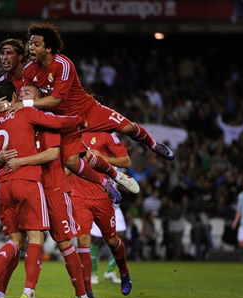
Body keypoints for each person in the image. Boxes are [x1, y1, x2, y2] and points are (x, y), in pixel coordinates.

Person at [11, 23, 175, 195]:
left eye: (36, 44)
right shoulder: (29, 70)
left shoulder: (63, 64)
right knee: (72, 161)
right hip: (66, 121)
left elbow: (55, 100)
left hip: (89, 110)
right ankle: (110, 180)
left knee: (128, 128)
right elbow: (23, 91)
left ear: (49, 48)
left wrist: (25, 104)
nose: (30, 48)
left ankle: (153, 144)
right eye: (30, 44)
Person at [0, 80, 86, 298]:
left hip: (51, 187)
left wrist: (14, 161)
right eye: (21, 92)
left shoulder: (38, 118)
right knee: (24, 240)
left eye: (28, 93)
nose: (23, 95)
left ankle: (82, 296)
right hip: (29, 184)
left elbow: (53, 153)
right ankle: (3, 293)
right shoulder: (22, 117)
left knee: (61, 241)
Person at [69, 131, 133, 298]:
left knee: (112, 241)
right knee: (83, 240)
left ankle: (124, 271)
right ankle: (87, 289)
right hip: (79, 196)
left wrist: (103, 158)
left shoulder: (107, 134)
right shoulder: (73, 131)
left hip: (103, 196)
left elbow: (126, 161)